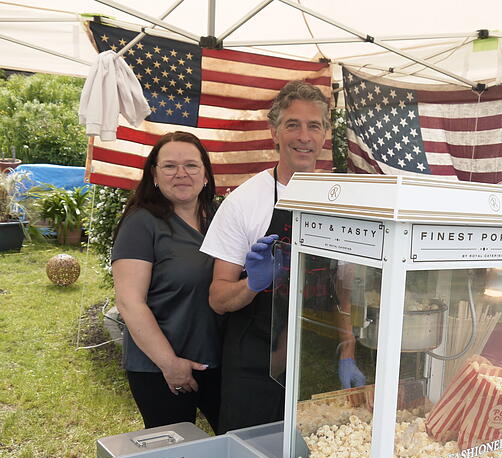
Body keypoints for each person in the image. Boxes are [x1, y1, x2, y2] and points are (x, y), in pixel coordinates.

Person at [201, 80, 365, 433]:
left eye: (314, 125)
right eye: (292, 124)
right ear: (274, 131)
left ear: (325, 134)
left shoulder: (343, 201)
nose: (303, 136)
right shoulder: (244, 202)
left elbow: (344, 289)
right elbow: (217, 298)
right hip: (254, 362)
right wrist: (253, 283)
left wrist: (347, 348)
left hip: (315, 357)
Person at [112, 131, 221, 432]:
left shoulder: (220, 217)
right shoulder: (141, 222)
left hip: (221, 361)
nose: (181, 174)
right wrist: (170, 364)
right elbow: (129, 302)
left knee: (240, 445)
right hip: (160, 368)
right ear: (155, 176)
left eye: (191, 165)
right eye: (170, 166)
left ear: (206, 175)